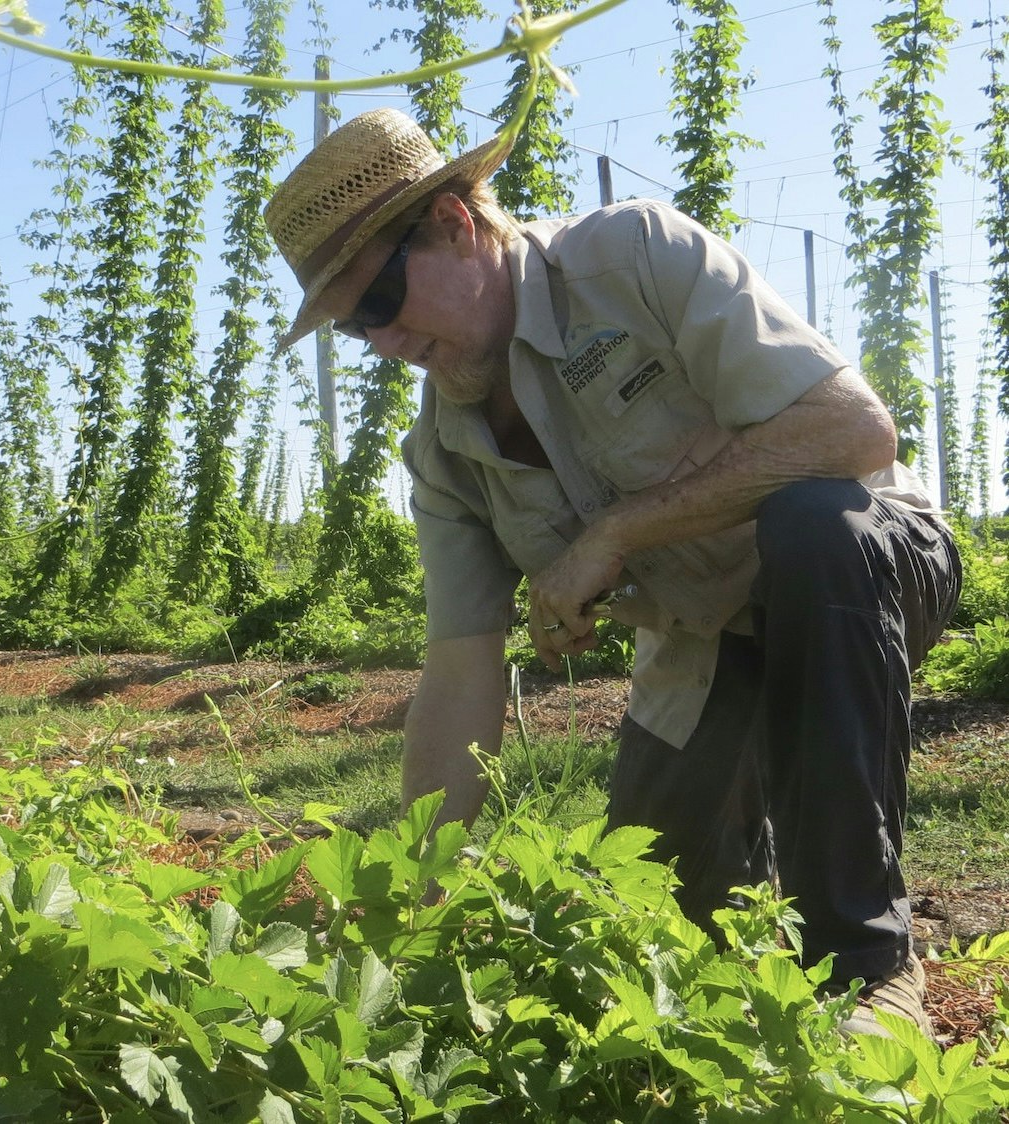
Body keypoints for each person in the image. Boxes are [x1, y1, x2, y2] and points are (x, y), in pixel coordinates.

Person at [264, 107, 962, 1037]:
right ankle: (763, 940)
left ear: (453, 224)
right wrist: (415, 894)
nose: (382, 343)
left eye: (381, 304)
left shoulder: (631, 255)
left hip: (866, 564)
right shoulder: (445, 453)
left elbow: (853, 431)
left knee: (812, 525)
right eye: (355, 331)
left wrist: (614, 534)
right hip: (706, 643)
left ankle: (871, 968)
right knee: (651, 930)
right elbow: (460, 667)